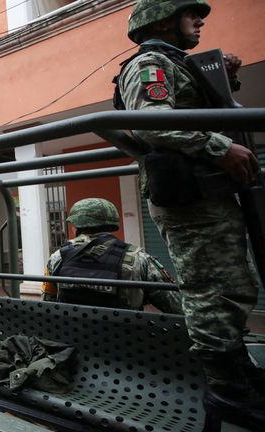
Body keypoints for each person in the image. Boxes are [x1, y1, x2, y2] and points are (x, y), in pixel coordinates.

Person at [114, 0, 264, 427]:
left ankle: (239, 376)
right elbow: (152, 121)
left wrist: (223, 76)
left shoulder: (178, 63)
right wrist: (218, 146)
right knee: (212, 290)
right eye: (190, 14)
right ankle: (226, 389)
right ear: (162, 21)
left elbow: (194, 109)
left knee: (230, 286)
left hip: (204, 192)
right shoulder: (150, 63)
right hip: (188, 197)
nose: (200, 21)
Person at [41, 198, 183, 314]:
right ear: (111, 224)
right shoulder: (138, 258)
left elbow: (48, 301)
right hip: (124, 343)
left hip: (70, 342)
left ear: (76, 225)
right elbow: (177, 306)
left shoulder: (58, 257)